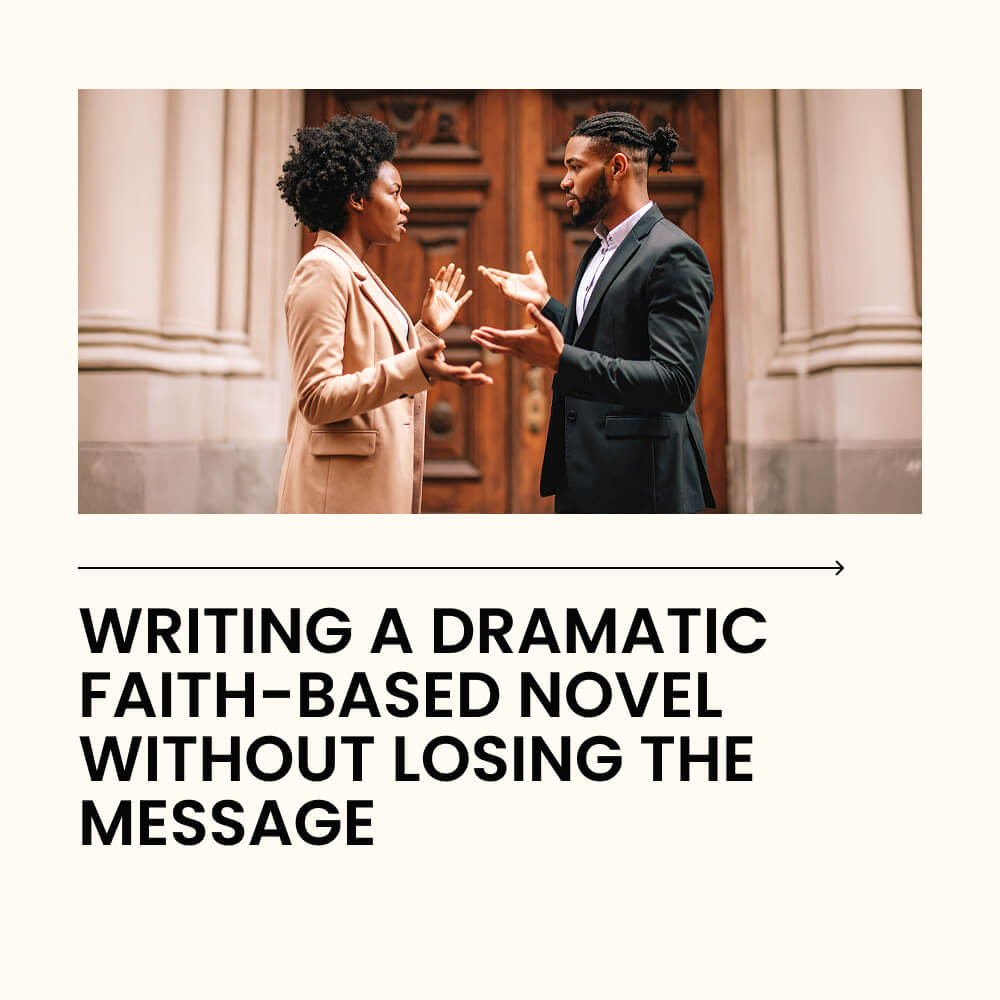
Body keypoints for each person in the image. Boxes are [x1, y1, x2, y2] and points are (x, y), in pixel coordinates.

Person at [473, 111, 715, 514]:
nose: (565, 181)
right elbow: (606, 339)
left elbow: (675, 382)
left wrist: (561, 359)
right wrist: (545, 304)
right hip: (587, 477)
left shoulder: (673, 253)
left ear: (617, 167)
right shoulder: (600, 248)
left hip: (642, 489)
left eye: (575, 167)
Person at [275, 114, 490, 514]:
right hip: (337, 501)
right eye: (395, 193)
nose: (405, 205)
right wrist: (416, 365)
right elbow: (317, 397)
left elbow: (379, 367)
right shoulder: (322, 269)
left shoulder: (352, 269)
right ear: (357, 199)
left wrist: (424, 333)